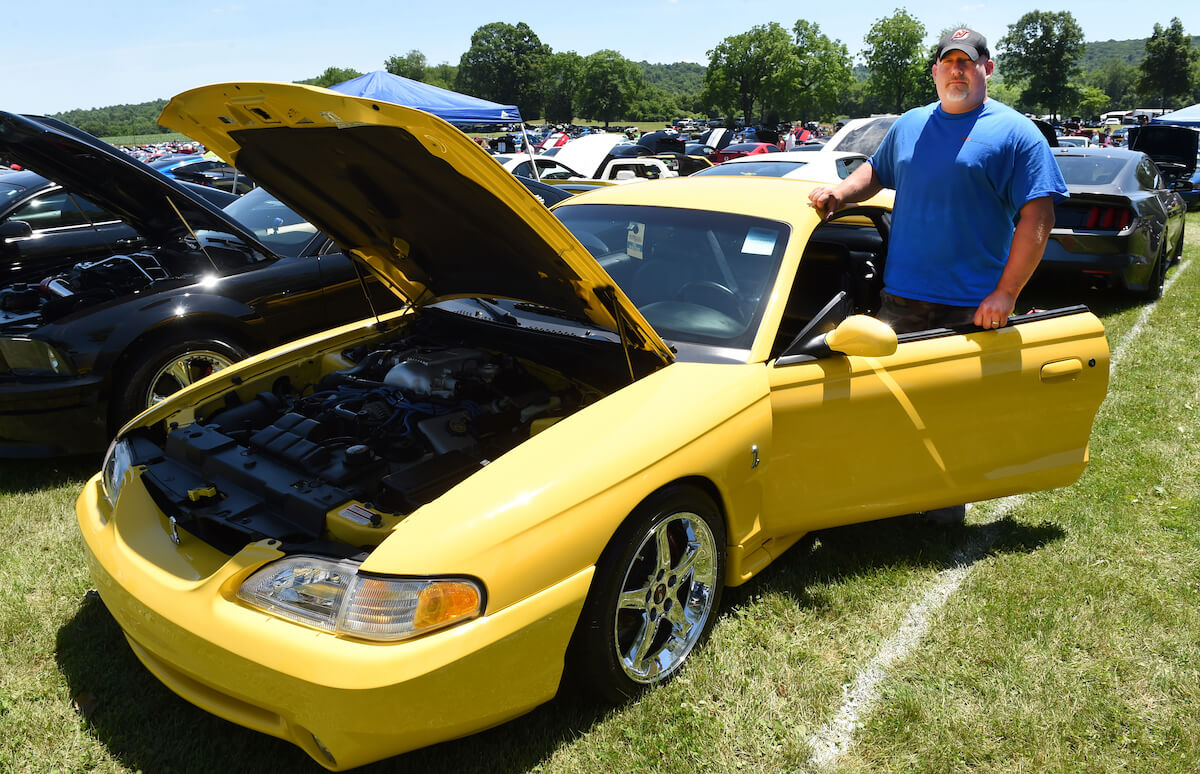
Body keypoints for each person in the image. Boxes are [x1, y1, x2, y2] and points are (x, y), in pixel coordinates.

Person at [808, 28, 1067, 525]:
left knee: (955, 413)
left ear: (986, 69)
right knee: (886, 402)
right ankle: (885, 499)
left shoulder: (1017, 134)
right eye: (948, 62)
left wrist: (1006, 293)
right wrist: (841, 193)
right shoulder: (909, 125)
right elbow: (876, 171)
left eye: (967, 62)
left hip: (972, 308)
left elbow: (1038, 219)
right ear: (934, 71)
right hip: (901, 299)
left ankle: (943, 507)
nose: (956, 71)